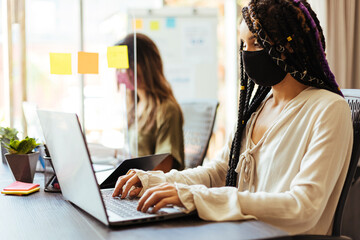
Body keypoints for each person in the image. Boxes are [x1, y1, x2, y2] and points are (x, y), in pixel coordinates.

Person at [112, 0, 353, 235]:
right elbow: (218, 172)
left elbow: (303, 208)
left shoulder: (329, 109)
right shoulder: (258, 106)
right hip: (240, 231)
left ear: (288, 45)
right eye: (243, 44)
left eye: (256, 43)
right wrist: (155, 181)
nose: (247, 54)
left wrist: (198, 197)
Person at [115, 33, 184, 172]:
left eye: (126, 66)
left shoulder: (166, 109)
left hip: (149, 189)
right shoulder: (135, 106)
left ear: (145, 66)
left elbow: (163, 171)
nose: (121, 74)